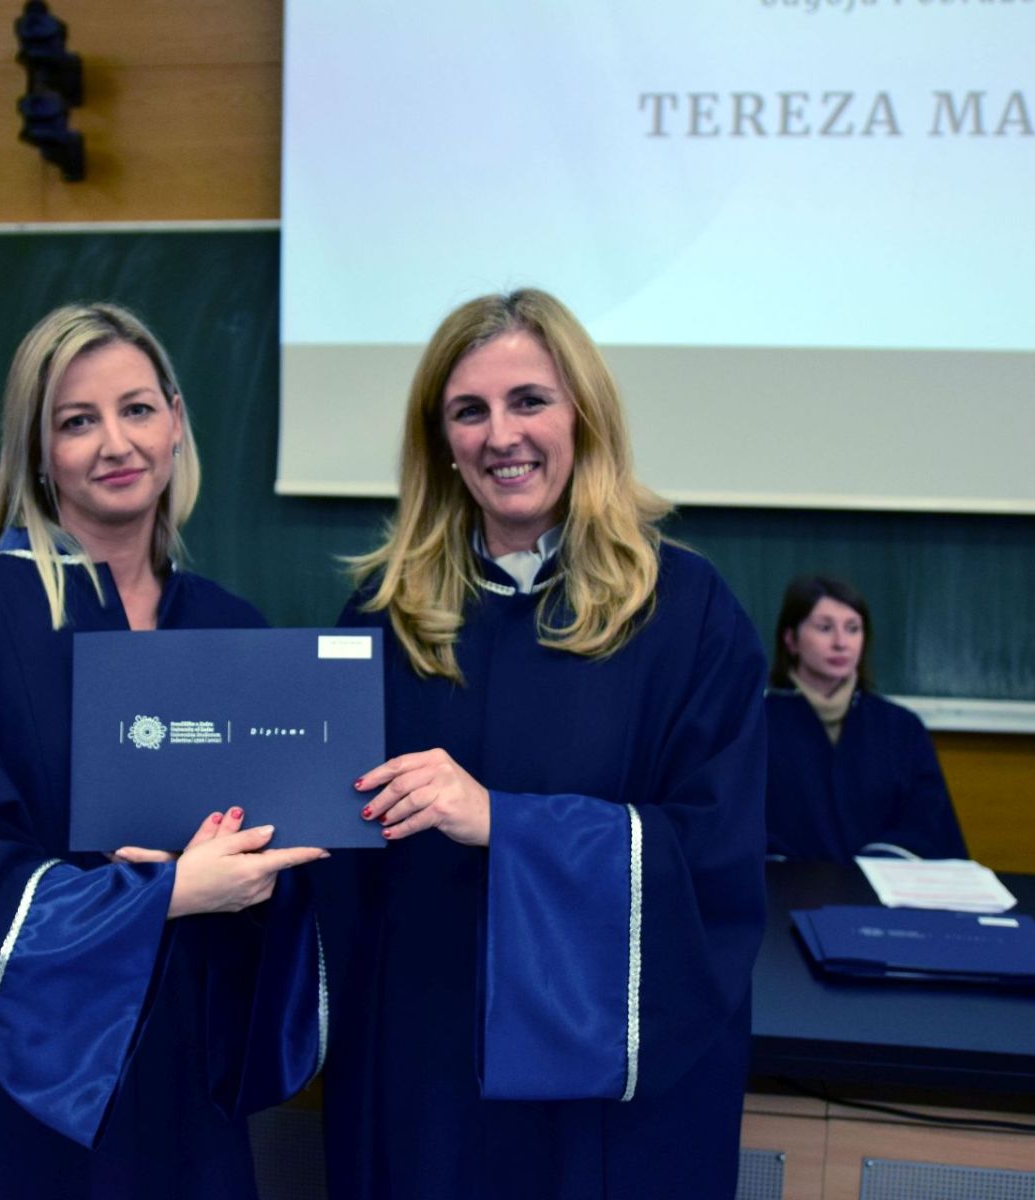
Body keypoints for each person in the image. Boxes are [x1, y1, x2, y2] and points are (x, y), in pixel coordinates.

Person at [308, 289, 769, 1198]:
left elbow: (713, 857)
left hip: (598, 1090)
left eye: (529, 401)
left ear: (583, 416)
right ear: (441, 441)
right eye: (468, 411)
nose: (500, 435)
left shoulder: (687, 613)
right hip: (425, 1065)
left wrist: (508, 825)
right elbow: (337, 857)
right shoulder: (383, 616)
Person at [0, 302, 325, 1199]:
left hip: (182, 1082)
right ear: (38, 453)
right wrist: (167, 896)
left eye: (137, 409)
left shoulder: (232, 628)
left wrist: (280, 864)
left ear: (176, 422)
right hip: (11, 1097)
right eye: (77, 421)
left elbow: (277, 876)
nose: (115, 443)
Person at [764, 574, 967, 861]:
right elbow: (739, 822)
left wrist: (873, 866)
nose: (841, 643)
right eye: (825, 628)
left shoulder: (901, 728)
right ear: (791, 640)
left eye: (852, 629)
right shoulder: (754, 723)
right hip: (786, 884)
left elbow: (928, 823)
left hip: (881, 884)